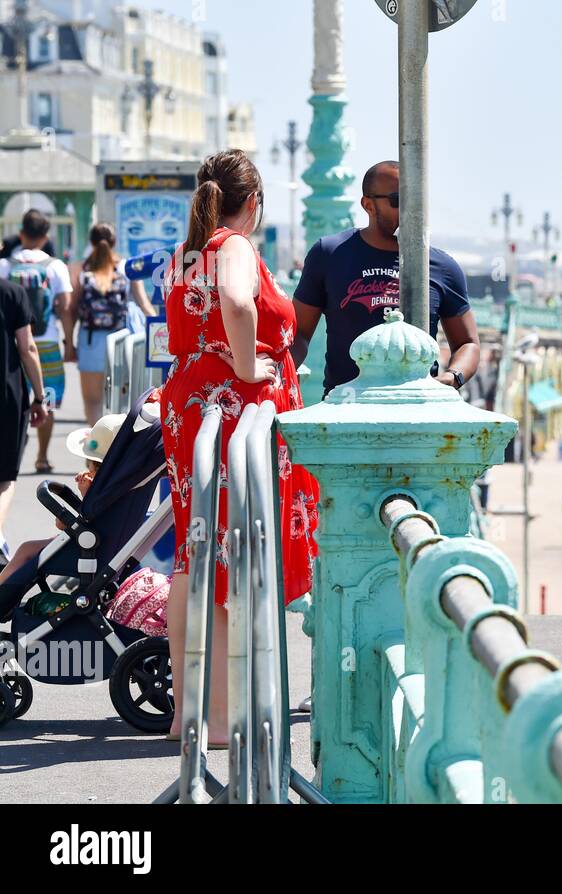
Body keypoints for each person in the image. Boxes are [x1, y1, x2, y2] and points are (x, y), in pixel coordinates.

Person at [160, 149, 320, 746]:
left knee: (192, 549)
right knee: (230, 550)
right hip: (231, 409)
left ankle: (189, 710)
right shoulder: (235, 247)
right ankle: (223, 718)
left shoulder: (186, 252)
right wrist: (254, 372)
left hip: (191, 406)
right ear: (253, 203)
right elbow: (234, 300)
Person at [291, 160, 480, 397]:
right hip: (346, 410)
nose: (411, 209)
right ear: (368, 205)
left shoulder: (442, 267)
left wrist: (452, 378)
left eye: (417, 199)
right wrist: (281, 375)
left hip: (417, 411)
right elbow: (297, 333)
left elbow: (468, 343)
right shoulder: (330, 254)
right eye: (398, 200)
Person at [0, 412, 121, 587]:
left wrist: (74, 509)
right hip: (104, 545)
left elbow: (93, 519)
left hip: (89, 547)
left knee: (27, 550)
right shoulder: (122, 483)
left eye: (89, 463)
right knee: (30, 549)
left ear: (95, 465)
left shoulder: (101, 490)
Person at [0, 210, 72, 474]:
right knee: (46, 398)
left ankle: (15, 445)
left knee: (12, 399)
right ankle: (42, 457)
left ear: (21, 233)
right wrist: (69, 342)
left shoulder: (5, 265)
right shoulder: (55, 266)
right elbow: (65, 306)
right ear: (45, 236)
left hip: (11, 345)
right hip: (47, 341)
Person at [67, 223, 155, 427]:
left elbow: (71, 310)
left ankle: (96, 453)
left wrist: (69, 344)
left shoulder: (81, 269)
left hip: (90, 341)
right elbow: (144, 305)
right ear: (114, 242)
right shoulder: (127, 268)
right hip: (122, 341)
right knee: (121, 399)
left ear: (91, 242)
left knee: (93, 400)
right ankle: (114, 449)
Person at [0, 275, 51, 560]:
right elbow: (27, 347)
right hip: (7, 396)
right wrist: (40, 398)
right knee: (5, 478)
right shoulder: (12, 292)